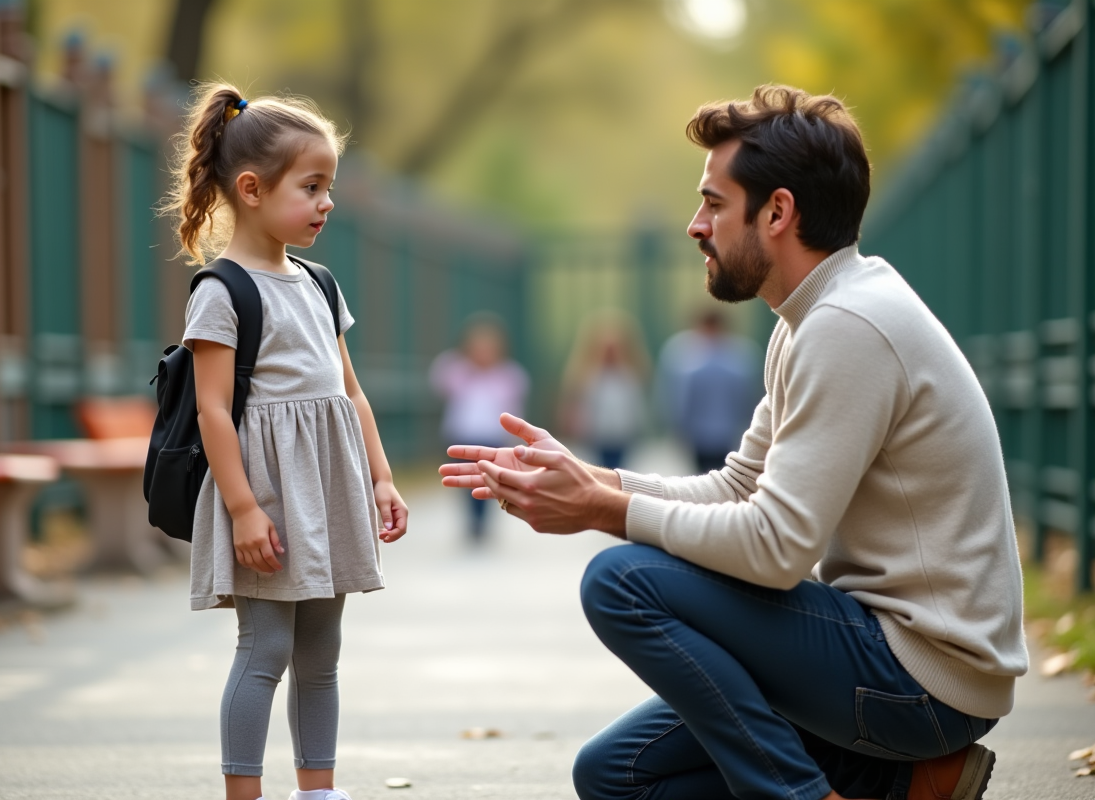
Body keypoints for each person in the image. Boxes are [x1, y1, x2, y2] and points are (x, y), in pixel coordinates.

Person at [440, 85, 1027, 800]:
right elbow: (738, 487)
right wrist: (593, 478)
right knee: (615, 776)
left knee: (620, 580)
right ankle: (905, 783)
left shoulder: (849, 326)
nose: (696, 225)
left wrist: (601, 509)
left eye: (714, 203)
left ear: (777, 212)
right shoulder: (809, 320)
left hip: (921, 679)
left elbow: (778, 550)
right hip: (886, 665)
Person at [168, 83, 408, 800]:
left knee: (321, 654)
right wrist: (243, 509)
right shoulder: (224, 291)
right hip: (268, 494)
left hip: (328, 491)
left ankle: (318, 791)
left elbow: (350, 392)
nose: (325, 202)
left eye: (327, 186)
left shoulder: (320, 285)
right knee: (265, 647)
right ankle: (243, 791)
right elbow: (213, 411)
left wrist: (382, 478)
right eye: (311, 186)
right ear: (250, 189)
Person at [429, 314, 529, 542]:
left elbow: (514, 409)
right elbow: (440, 382)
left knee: (489, 479)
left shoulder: (508, 375)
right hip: (462, 436)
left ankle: (483, 520)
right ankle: (472, 520)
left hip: (492, 437)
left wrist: (515, 438)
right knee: (465, 478)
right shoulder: (459, 371)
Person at [557, 310, 651, 471]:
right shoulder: (587, 374)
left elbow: (635, 402)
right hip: (596, 433)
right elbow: (579, 401)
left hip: (623, 432)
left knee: (620, 470)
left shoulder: (629, 373)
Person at [674, 310, 762, 473]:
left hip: (700, 432)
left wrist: (680, 428)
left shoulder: (690, 360)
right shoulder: (741, 358)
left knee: (702, 479)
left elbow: (685, 401)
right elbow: (748, 399)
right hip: (728, 431)